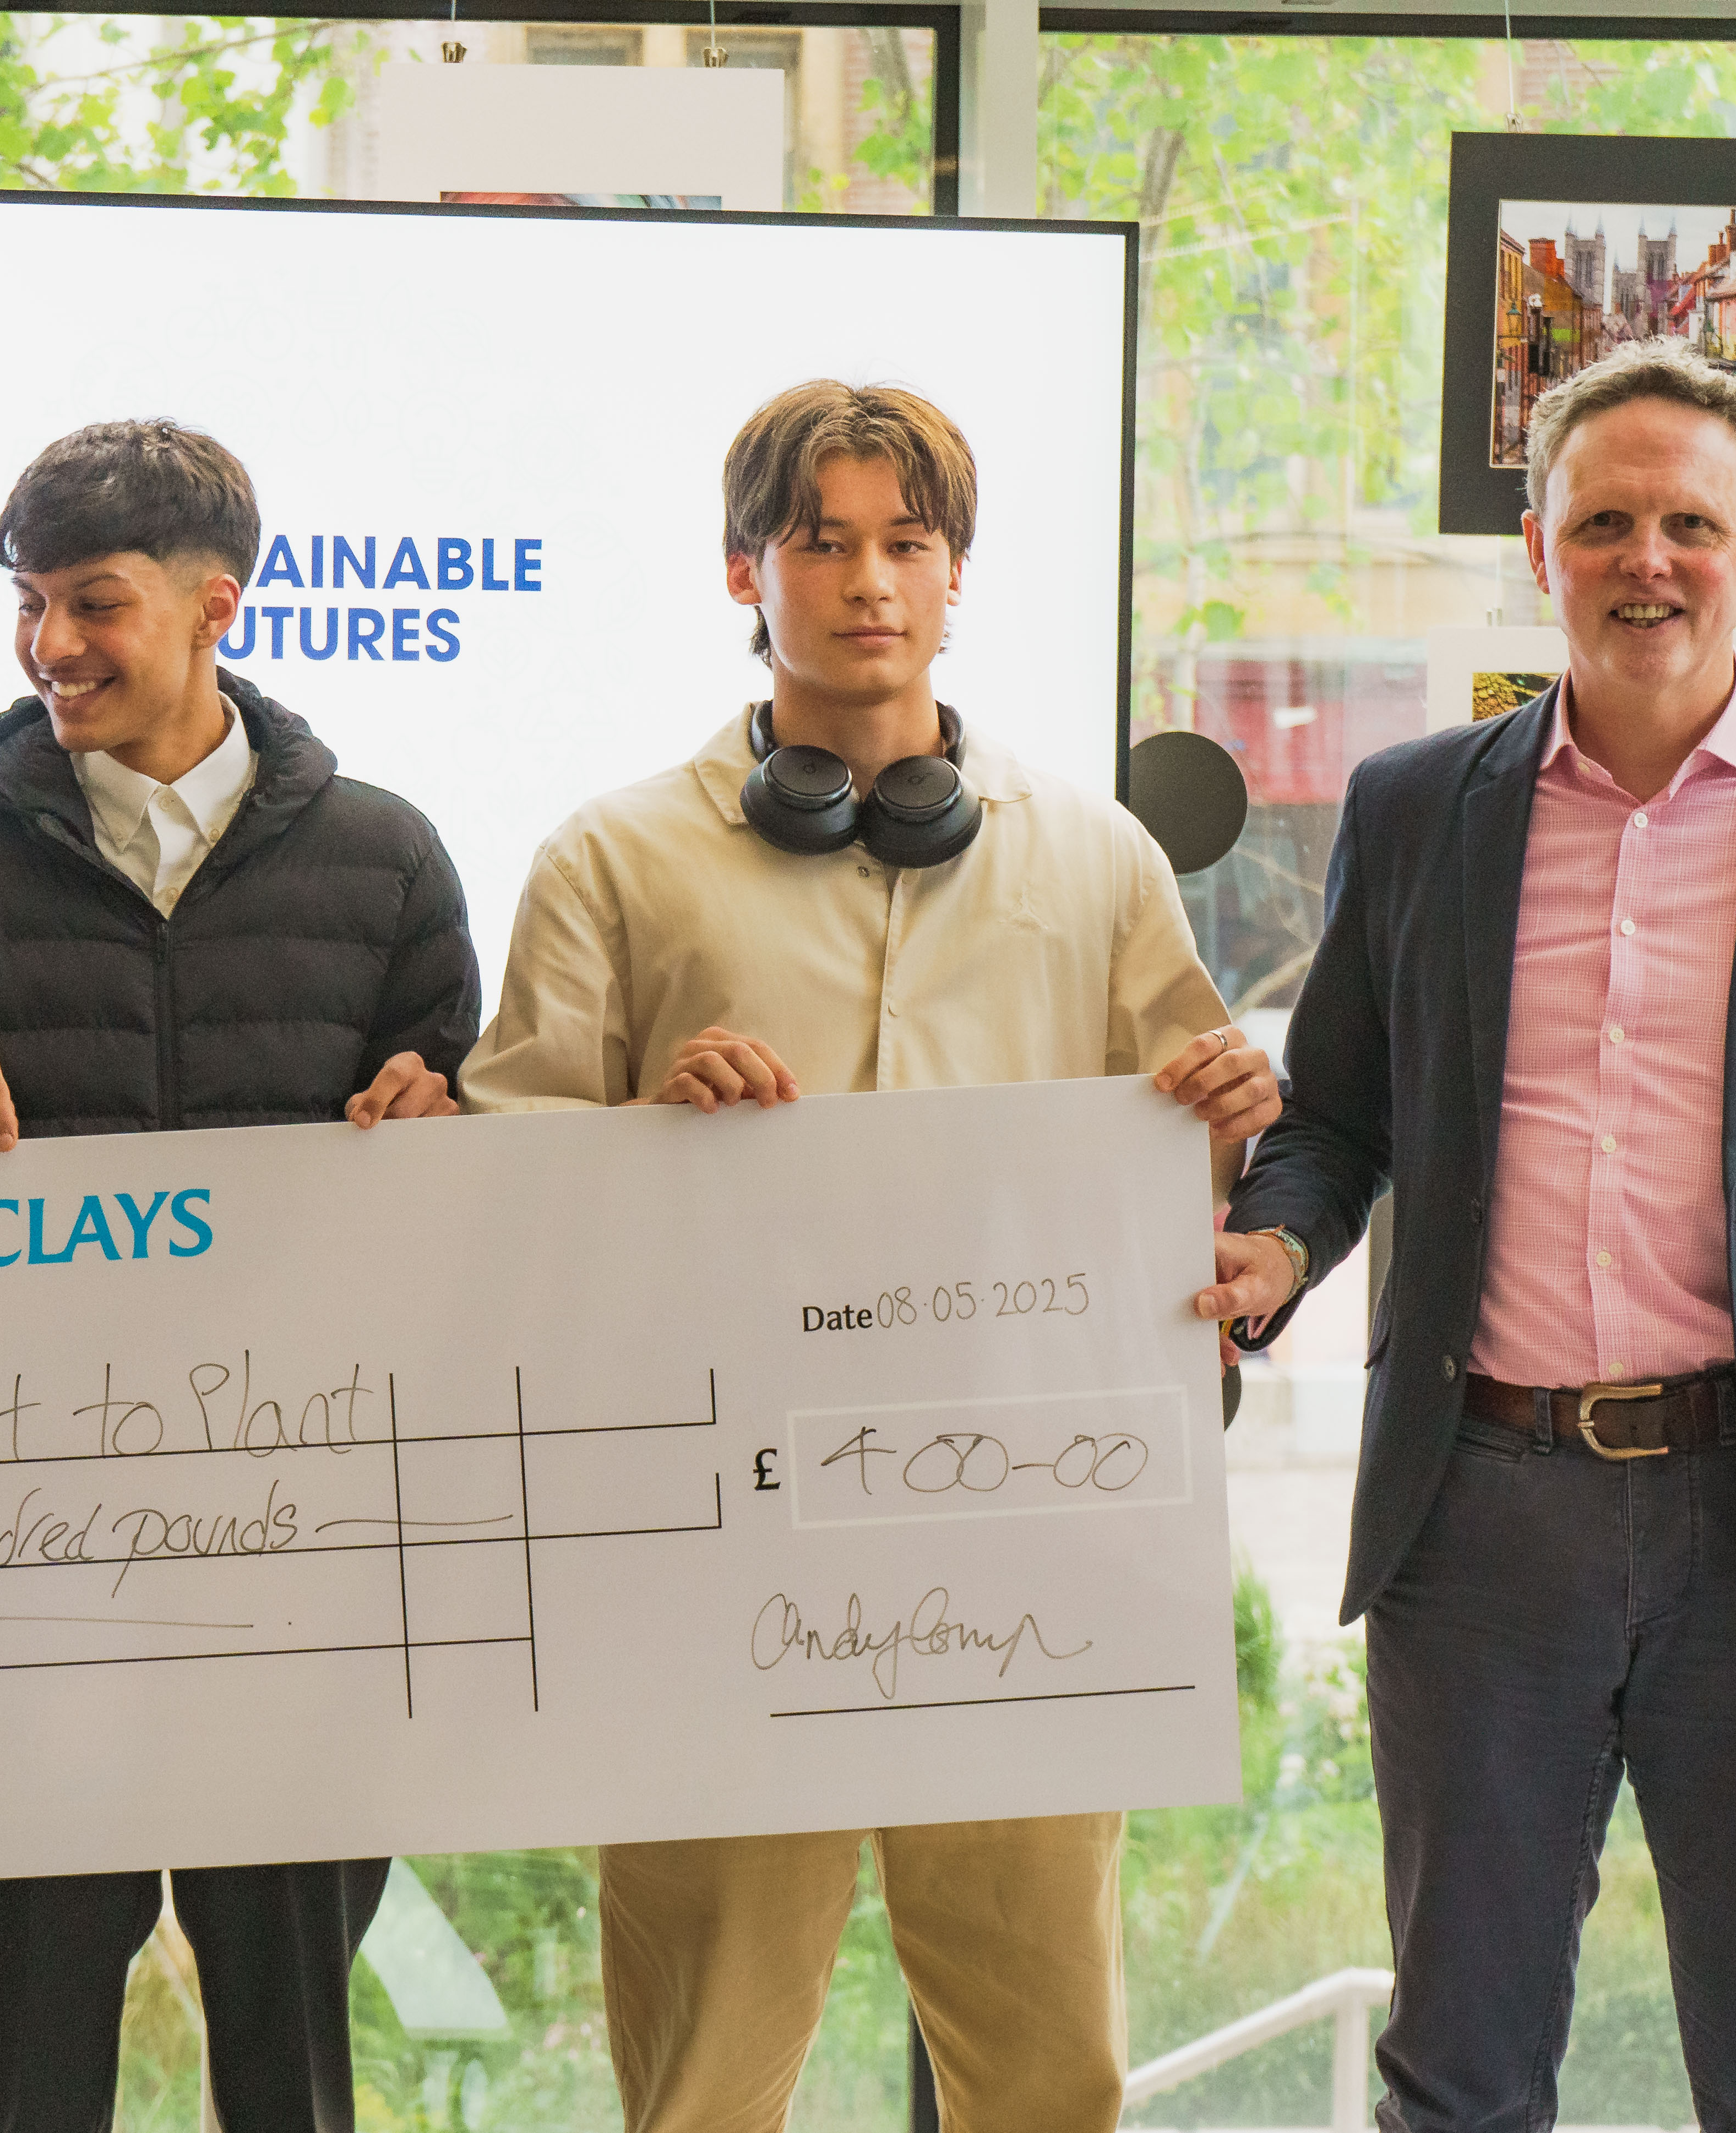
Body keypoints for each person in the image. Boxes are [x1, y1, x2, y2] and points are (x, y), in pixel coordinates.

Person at [1203, 338, 1736, 2127]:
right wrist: (1278, 1251)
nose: (1647, 559)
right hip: (1482, 1515)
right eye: (1606, 522)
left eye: (1690, 521)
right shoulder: (1414, 810)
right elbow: (1337, 1114)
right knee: (1456, 2073)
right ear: (1540, 549)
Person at [459, 379, 1281, 2133]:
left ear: (956, 570)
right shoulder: (610, 860)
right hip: (708, 1551)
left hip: (1023, 1552)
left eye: (903, 541)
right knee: (699, 2082)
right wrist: (642, 1129)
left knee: (1051, 2079)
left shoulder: (1095, 856)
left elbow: (1184, 1166)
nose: (864, 581)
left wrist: (1222, 1118)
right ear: (741, 569)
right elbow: (503, 1182)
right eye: (817, 540)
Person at [0, 418, 476, 2133]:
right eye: (28, 604)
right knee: (32, 2067)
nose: (49, 647)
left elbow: (469, 1214)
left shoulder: (387, 859)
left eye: (89, 602)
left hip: (305, 1563)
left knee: (294, 2063)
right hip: (27, 1566)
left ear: (214, 605)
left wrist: (447, 1118)